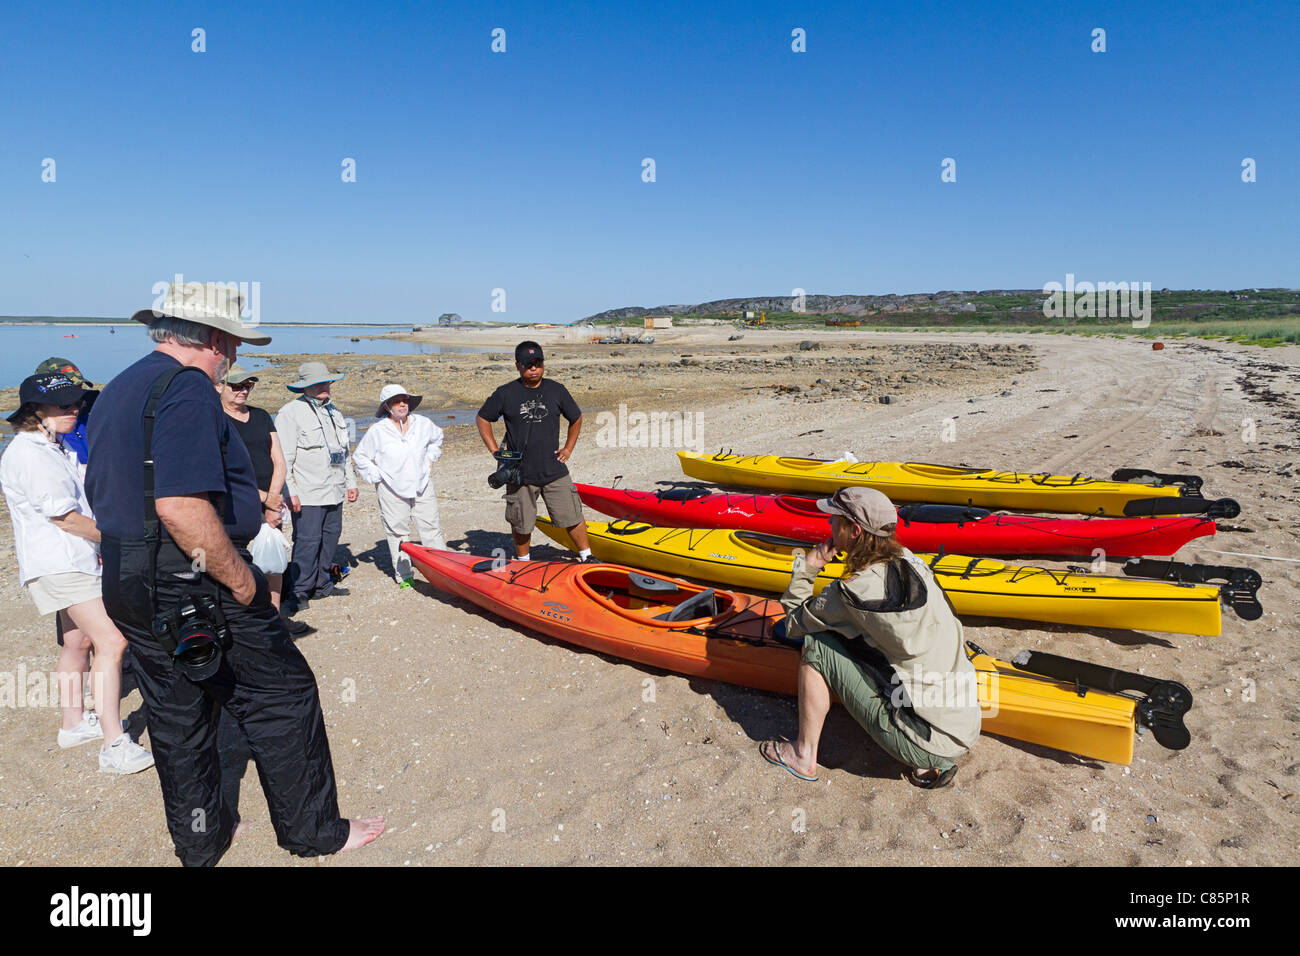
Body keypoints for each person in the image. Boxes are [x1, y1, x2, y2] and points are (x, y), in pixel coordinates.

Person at [85, 281, 382, 865]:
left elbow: (111, 489)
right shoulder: (188, 389)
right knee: (282, 695)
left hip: (127, 573)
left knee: (177, 712)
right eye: (235, 346)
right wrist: (242, 582)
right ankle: (315, 832)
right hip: (189, 578)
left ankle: (202, 840)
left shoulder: (122, 385)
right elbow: (181, 506)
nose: (236, 358)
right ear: (217, 340)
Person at [760, 486, 980, 789]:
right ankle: (927, 756)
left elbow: (794, 623)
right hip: (966, 726)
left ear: (855, 530)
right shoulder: (911, 560)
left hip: (925, 744)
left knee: (817, 645)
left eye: (835, 519)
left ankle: (803, 755)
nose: (829, 525)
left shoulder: (851, 590)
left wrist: (807, 569)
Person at [1, 373, 154, 774]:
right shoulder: (30, 454)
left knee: (78, 642)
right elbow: (66, 519)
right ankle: (113, 745)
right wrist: (119, 541)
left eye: (76, 403)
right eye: (63, 405)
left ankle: (72, 723)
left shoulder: (54, 447)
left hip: (73, 559)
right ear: (36, 412)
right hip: (61, 562)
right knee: (114, 640)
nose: (75, 409)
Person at [475, 341, 593, 561]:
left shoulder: (556, 389)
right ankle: (523, 562)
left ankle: (586, 555)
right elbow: (483, 418)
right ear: (518, 366)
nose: (534, 368)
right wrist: (495, 451)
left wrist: (568, 448)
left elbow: (576, 417)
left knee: (572, 514)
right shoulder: (506, 393)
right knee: (521, 520)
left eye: (538, 363)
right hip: (520, 473)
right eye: (528, 364)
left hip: (554, 470)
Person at [275, 362, 358, 615]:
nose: (326, 386)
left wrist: (351, 483)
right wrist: (290, 491)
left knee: (331, 536)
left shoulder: (335, 412)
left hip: (334, 489)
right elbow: (283, 458)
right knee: (307, 541)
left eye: (327, 382)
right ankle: (299, 590)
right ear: (306, 386)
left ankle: (323, 584)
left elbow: (344, 453)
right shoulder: (290, 413)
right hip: (308, 491)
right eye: (320, 383)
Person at [353, 384, 446, 586]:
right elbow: (360, 457)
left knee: (431, 528)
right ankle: (404, 575)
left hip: (422, 485)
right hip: (391, 490)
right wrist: (377, 476)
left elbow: (437, 439)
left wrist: (430, 458)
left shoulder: (422, 423)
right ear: (387, 406)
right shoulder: (378, 431)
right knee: (397, 532)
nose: (402, 404)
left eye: (405, 400)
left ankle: (443, 572)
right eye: (396, 401)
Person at [217, 364, 291, 612]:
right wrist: (264, 499)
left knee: (273, 560)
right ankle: (245, 614)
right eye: (236, 385)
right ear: (219, 387)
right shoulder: (216, 419)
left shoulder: (260, 416)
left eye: (247, 385)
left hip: (270, 498)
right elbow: (222, 471)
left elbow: (279, 460)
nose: (243, 390)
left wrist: (273, 499)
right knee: (239, 561)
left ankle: (275, 615)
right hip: (236, 503)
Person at [34, 357, 96, 472]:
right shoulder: (42, 433)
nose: (78, 395)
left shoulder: (90, 419)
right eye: (72, 390)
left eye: (80, 388)